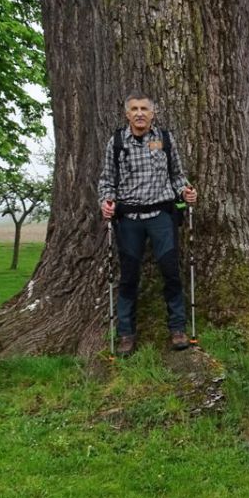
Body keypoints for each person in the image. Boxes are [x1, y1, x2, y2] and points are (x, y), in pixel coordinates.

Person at [98, 93, 197, 355]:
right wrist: (105, 201)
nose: (139, 113)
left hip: (161, 217)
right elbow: (107, 180)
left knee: (171, 273)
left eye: (144, 109)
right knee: (129, 277)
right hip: (129, 219)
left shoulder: (164, 139)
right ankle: (126, 335)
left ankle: (177, 329)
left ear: (153, 114)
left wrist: (186, 191)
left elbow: (177, 175)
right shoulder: (117, 142)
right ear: (127, 114)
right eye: (134, 109)